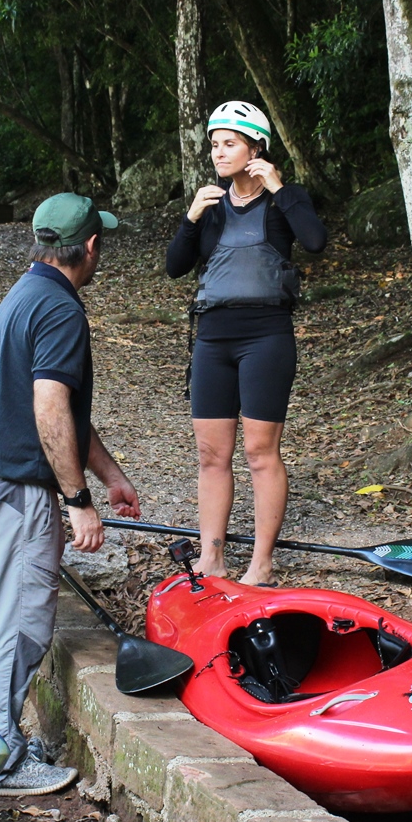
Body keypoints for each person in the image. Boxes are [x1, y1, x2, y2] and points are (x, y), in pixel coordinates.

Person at [0, 192, 142, 796]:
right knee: (16, 628)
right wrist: (77, 499)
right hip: (11, 495)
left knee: (0, 621)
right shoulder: (59, 311)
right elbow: (50, 407)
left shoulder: (21, 296)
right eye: (99, 244)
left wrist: (110, 474)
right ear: (88, 247)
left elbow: (64, 413)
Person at [166, 101, 326, 586]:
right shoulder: (210, 207)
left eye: (229, 143)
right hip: (213, 338)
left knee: (260, 451)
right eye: (214, 145)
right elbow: (175, 266)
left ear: (256, 147)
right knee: (212, 454)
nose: (218, 152)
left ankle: (261, 563)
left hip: (266, 337)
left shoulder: (283, 200)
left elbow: (315, 241)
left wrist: (280, 188)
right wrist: (191, 219)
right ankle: (211, 557)